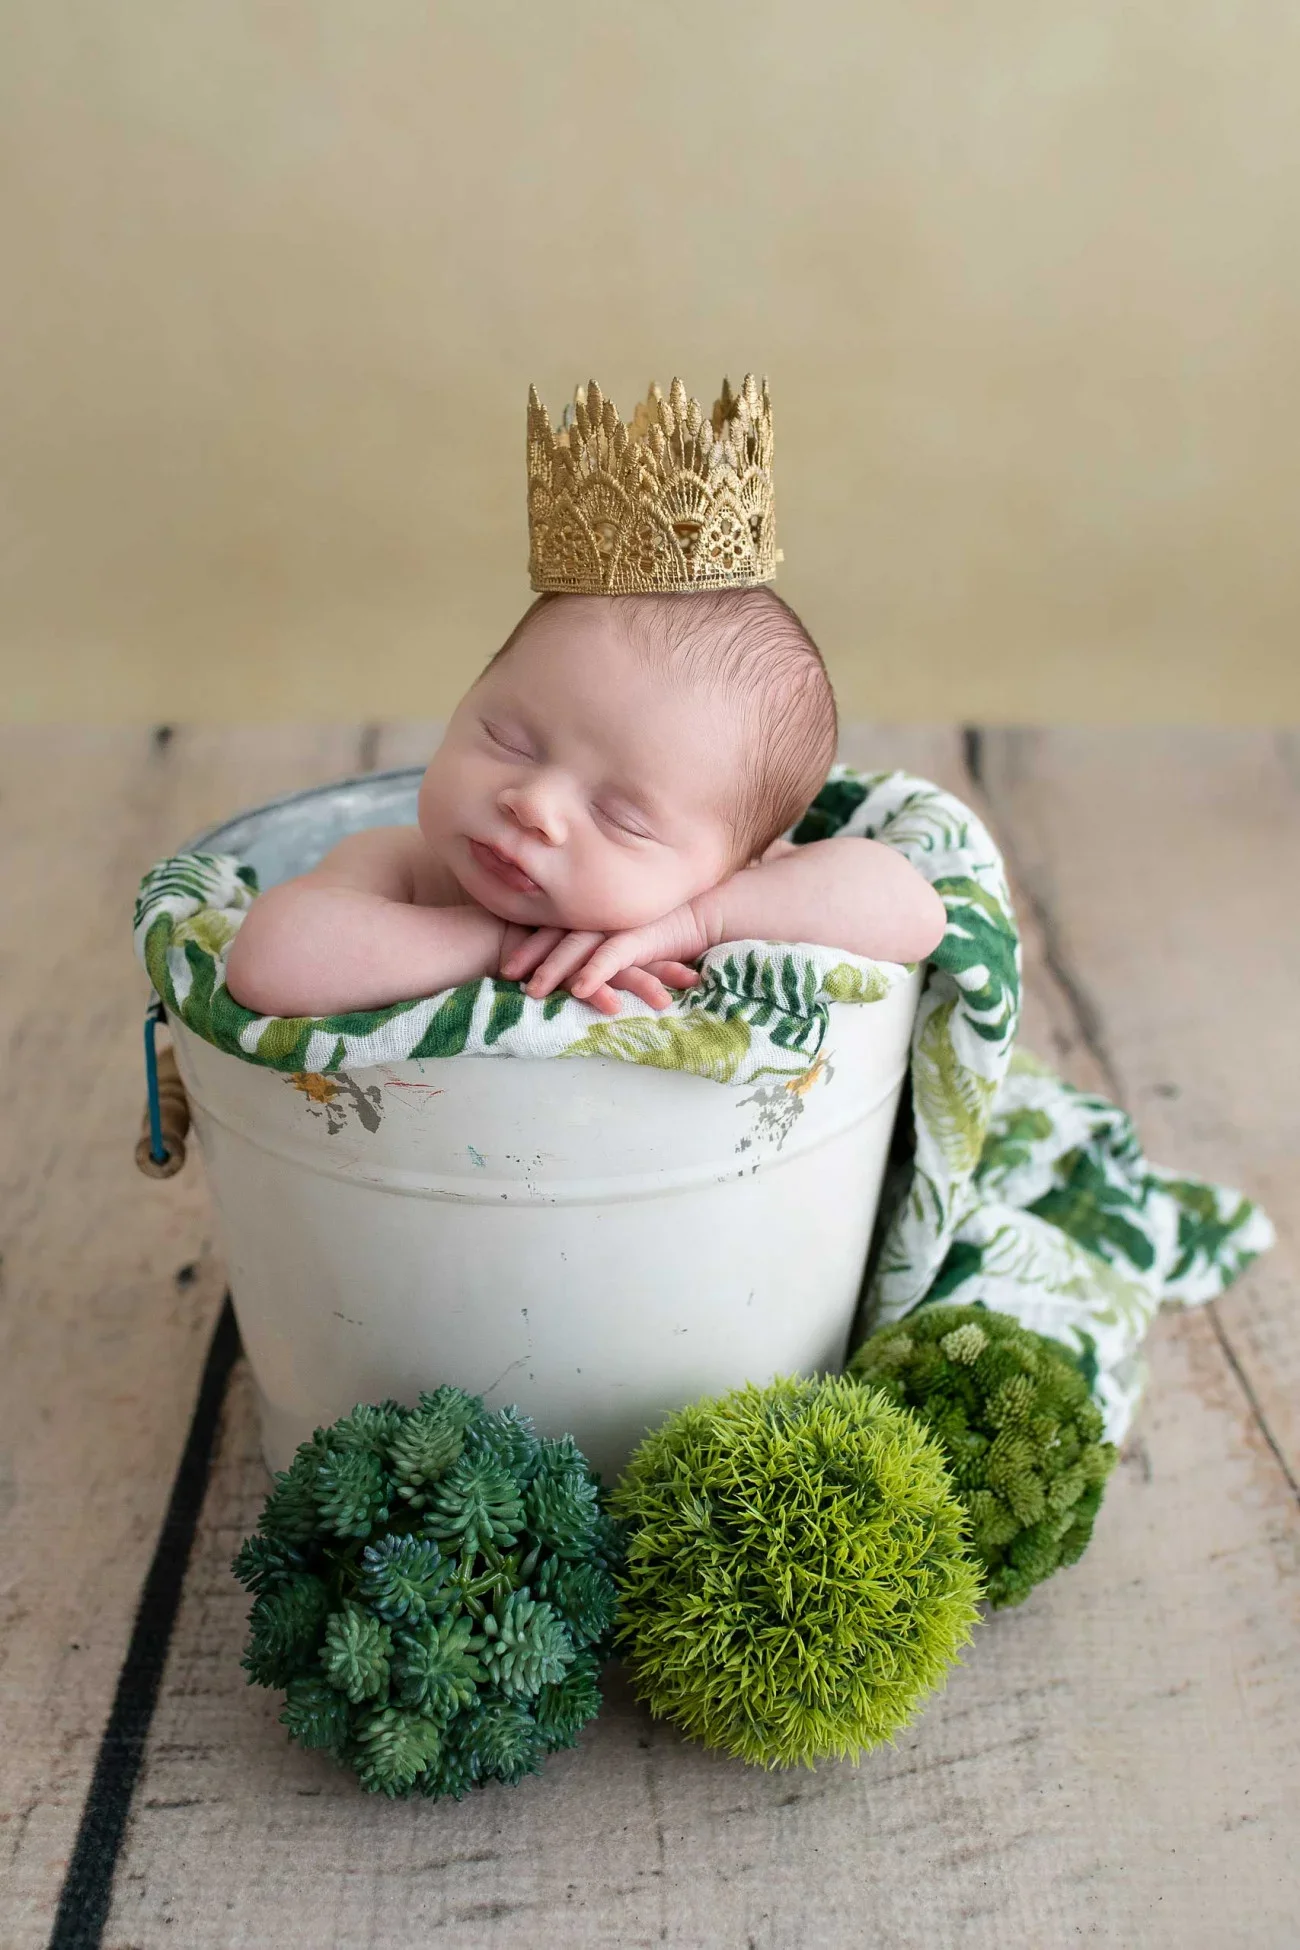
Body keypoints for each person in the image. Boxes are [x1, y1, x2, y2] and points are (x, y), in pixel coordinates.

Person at [225, 586, 946, 1019]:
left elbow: (914, 914)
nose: (532, 804)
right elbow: (269, 961)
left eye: (621, 817)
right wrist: (497, 945)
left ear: (732, 863)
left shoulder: (732, 894)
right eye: (508, 740)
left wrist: (694, 922)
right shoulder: (407, 871)